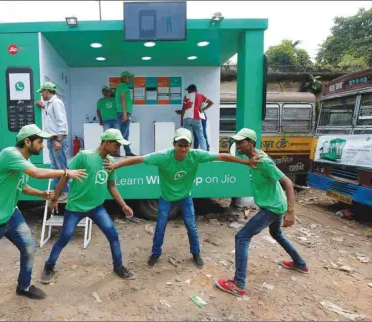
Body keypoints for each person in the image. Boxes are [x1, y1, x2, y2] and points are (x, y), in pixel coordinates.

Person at [0, 124, 87, 321]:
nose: (43, 146)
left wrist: (41, 194)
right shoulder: (9, 154)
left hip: (10, 214)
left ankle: (24, 286)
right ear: (27, 141)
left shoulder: (20, 162)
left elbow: (22, 185)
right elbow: (36, 173)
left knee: (28, 248)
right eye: (39, 142)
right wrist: (65, 172)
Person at [104, 128, 257, 269]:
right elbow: (139, 159)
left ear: (190, 146)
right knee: (160, 226)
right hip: (166, 198)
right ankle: (156, 253)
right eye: (180, 145)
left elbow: (222, 156)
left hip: (185, 197)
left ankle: (196, 253)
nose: (183, 149)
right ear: (174, 144)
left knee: (191, 226)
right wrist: (116, 166)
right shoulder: (163, 156)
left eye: (186, 145)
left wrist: (246, 162)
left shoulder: (196, 155)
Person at [214, 128, 308, 298]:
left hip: (272, 207)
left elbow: (288, 183)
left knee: (241, 237)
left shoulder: (263, 162)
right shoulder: (254, 157)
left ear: (250, 143)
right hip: (275, 203)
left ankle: (238, 284)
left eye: (240, 142)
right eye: (236, 142)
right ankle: (300, 264)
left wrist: (290, 211)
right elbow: (228, 158)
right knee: (276, 234)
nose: (237, 146)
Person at [41, 128, 136, 283]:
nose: (118, 149)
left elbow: (111, 186)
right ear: (106, 143)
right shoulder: (84, 157)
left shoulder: (110, 163)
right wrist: (55, 197)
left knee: (113, 236)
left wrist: (123, 205)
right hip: (75, 208)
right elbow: (65, 177)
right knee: (64, 237)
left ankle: (118, 267)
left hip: (97, 208)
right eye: (116, 145)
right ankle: (48, 266)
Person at [35, 81, 70, 201]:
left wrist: (59, 140)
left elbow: (62, 122)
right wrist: (43, 106)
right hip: (52, 139)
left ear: (47, 91)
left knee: (61, 167)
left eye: (42, 92)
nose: (41, 94)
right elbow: (52, 116)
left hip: (57, 139)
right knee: (55, 168)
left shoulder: (56, 103)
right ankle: (58, 192)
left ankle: (65, 192)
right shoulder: (50, 104)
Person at [180, 84, 213, 150]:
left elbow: (183, 109)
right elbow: (211, 102)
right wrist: (202, 109)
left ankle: (187, 151)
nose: (188, 92)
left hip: (187, 118)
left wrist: (181, 120)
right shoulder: (201, 96)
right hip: (196, 118)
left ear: (190, 90)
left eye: (188, 90)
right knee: (201, 136)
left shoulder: (186, 96)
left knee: (186, 136)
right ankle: (205, 152)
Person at [115, 71, 136, 156]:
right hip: (123, 112)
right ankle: (115, 152)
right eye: (128, 77)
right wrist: (124, 113)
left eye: (129, 77)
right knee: (122, 134)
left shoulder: (122, 86)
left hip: (124, 112)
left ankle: (127, 151)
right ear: (123, 78)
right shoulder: (123, 85)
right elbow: (122, 98)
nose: (129, 79)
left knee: (126, 134)